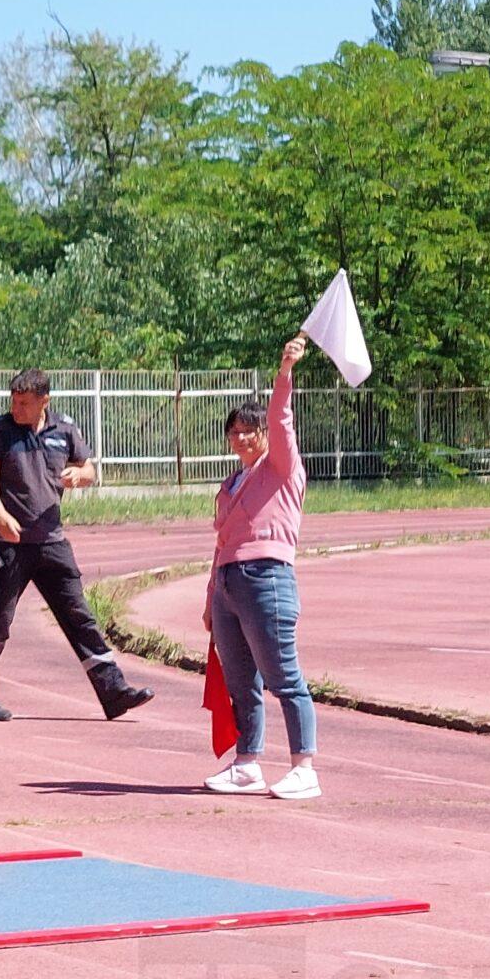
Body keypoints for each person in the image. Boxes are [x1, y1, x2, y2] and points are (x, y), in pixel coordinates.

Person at [0, 368, 154, 723]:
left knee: (80, 616)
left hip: (52, 542)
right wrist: (0, 514)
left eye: (24, 403)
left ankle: (113, 691)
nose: (16, 408)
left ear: (44, 401)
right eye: (14, 401)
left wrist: (81, 475)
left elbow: (89, 469)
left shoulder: (64, 428)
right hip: (10, 543)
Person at [204, 336, 320, 800]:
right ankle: (247, 763)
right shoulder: (231, 483)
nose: (241, 438)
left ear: (265, 434)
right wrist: (211, 598)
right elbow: (221, 544)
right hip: (229, 583)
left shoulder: (281, 468)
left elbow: (281, 418)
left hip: (267, 578)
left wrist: (284, 373)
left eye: (249, 430)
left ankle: (304, 767)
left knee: (284, 677)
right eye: (234, 432)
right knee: (240, 681)